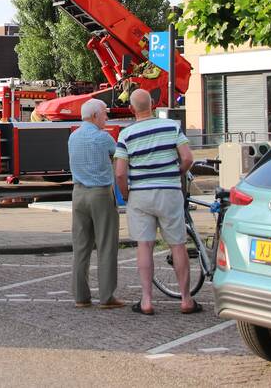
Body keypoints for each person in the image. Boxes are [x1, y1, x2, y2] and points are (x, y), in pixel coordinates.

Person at [115, 89, 199, 316]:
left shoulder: (126, 135)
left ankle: (146, 300)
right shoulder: (172, 127)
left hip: (140, 194)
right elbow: (188, 158)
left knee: (145, 245)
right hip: (169, 192)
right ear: (152, 104)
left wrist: (126, 194)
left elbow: (120, 173)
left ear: (131, 109)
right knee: (178, 245)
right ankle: (185, 299)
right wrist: (176, 173)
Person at [67, 98, 124, 310]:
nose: (106, 117)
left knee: (81, 246)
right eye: (104, 114)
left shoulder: (73, 137)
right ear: (94, 116)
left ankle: (80, 296)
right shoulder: (103, 138)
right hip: (100, 194)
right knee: (106, 245)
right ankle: (107, 296)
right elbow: (119, 156)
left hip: (78, 194)